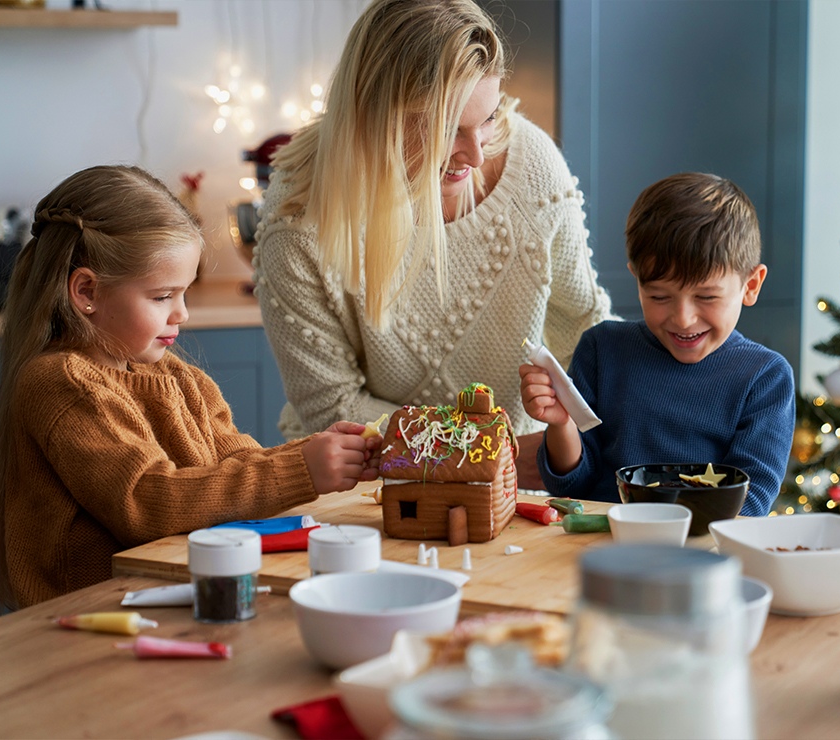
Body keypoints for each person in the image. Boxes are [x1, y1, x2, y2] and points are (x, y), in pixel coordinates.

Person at [253, 0, 613, 489]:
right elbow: (332, 408)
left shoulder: (530, 163)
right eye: (447, 129)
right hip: (370, 487)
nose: (477, 153)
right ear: (371, 113)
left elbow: (586, 329)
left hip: (524, 476)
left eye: (487, 118)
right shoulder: (298, 219)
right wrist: (485, 452)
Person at [0, 165, 383, 609]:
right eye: (162, 297)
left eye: (184, 294)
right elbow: (145, 501)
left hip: (171, 594)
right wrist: (302, 470)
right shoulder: (61, 382)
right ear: (86, 292)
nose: (182, 314)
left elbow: (237, 462)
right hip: (89, 616)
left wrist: (313, 454)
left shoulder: (178, 376)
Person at [519, 172, 796, 514]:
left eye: (706, 297)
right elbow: (573, 485)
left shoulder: (765, 378)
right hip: (601, 549)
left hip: (701, 555)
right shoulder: (602, 349)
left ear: (751, 285)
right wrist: (561, 422)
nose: (683, 319)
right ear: (636, 278)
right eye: (659, 296)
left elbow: (748, 505)